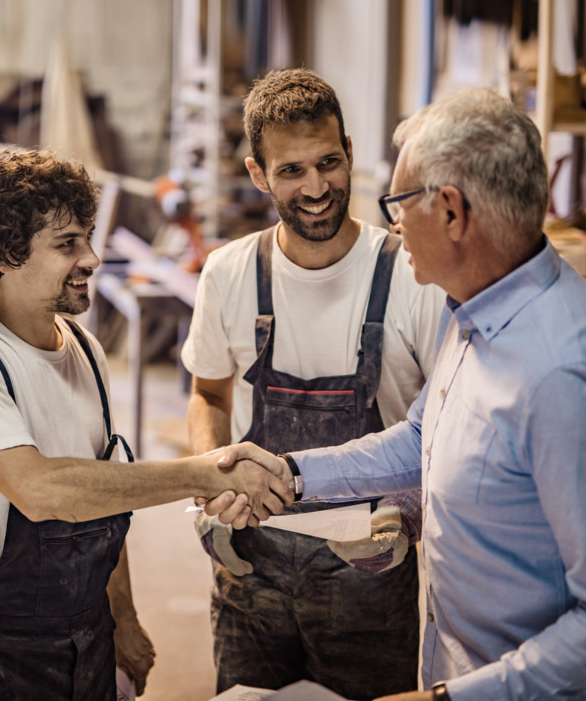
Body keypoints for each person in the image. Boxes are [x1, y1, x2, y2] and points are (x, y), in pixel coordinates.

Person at [215, 87, 586, 700]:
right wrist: (290, 472)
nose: (390, 221)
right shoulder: (472, 315)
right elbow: (422, 437)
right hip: (449, 663)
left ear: (450, 212)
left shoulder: (559, 372)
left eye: (401, 201)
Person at [0, 147, 292, 701]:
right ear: (2, 253)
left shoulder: (84, 347)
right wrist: (205, 474)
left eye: (88, 237)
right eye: (67, 244)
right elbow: (41, 490)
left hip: (89, 637)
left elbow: (101, 497)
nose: (92, 257)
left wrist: (123, 619)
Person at [180, 68, 445, 699]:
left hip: (371, 572)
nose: (317, 187)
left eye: (328, 162)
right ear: (257, 174)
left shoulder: (411, 274)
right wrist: (210, 484)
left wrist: (405, 509)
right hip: (251, 566)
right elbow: (209, 393)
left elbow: (446, 417)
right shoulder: (228, 273)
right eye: (292, 171)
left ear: (351, 153)